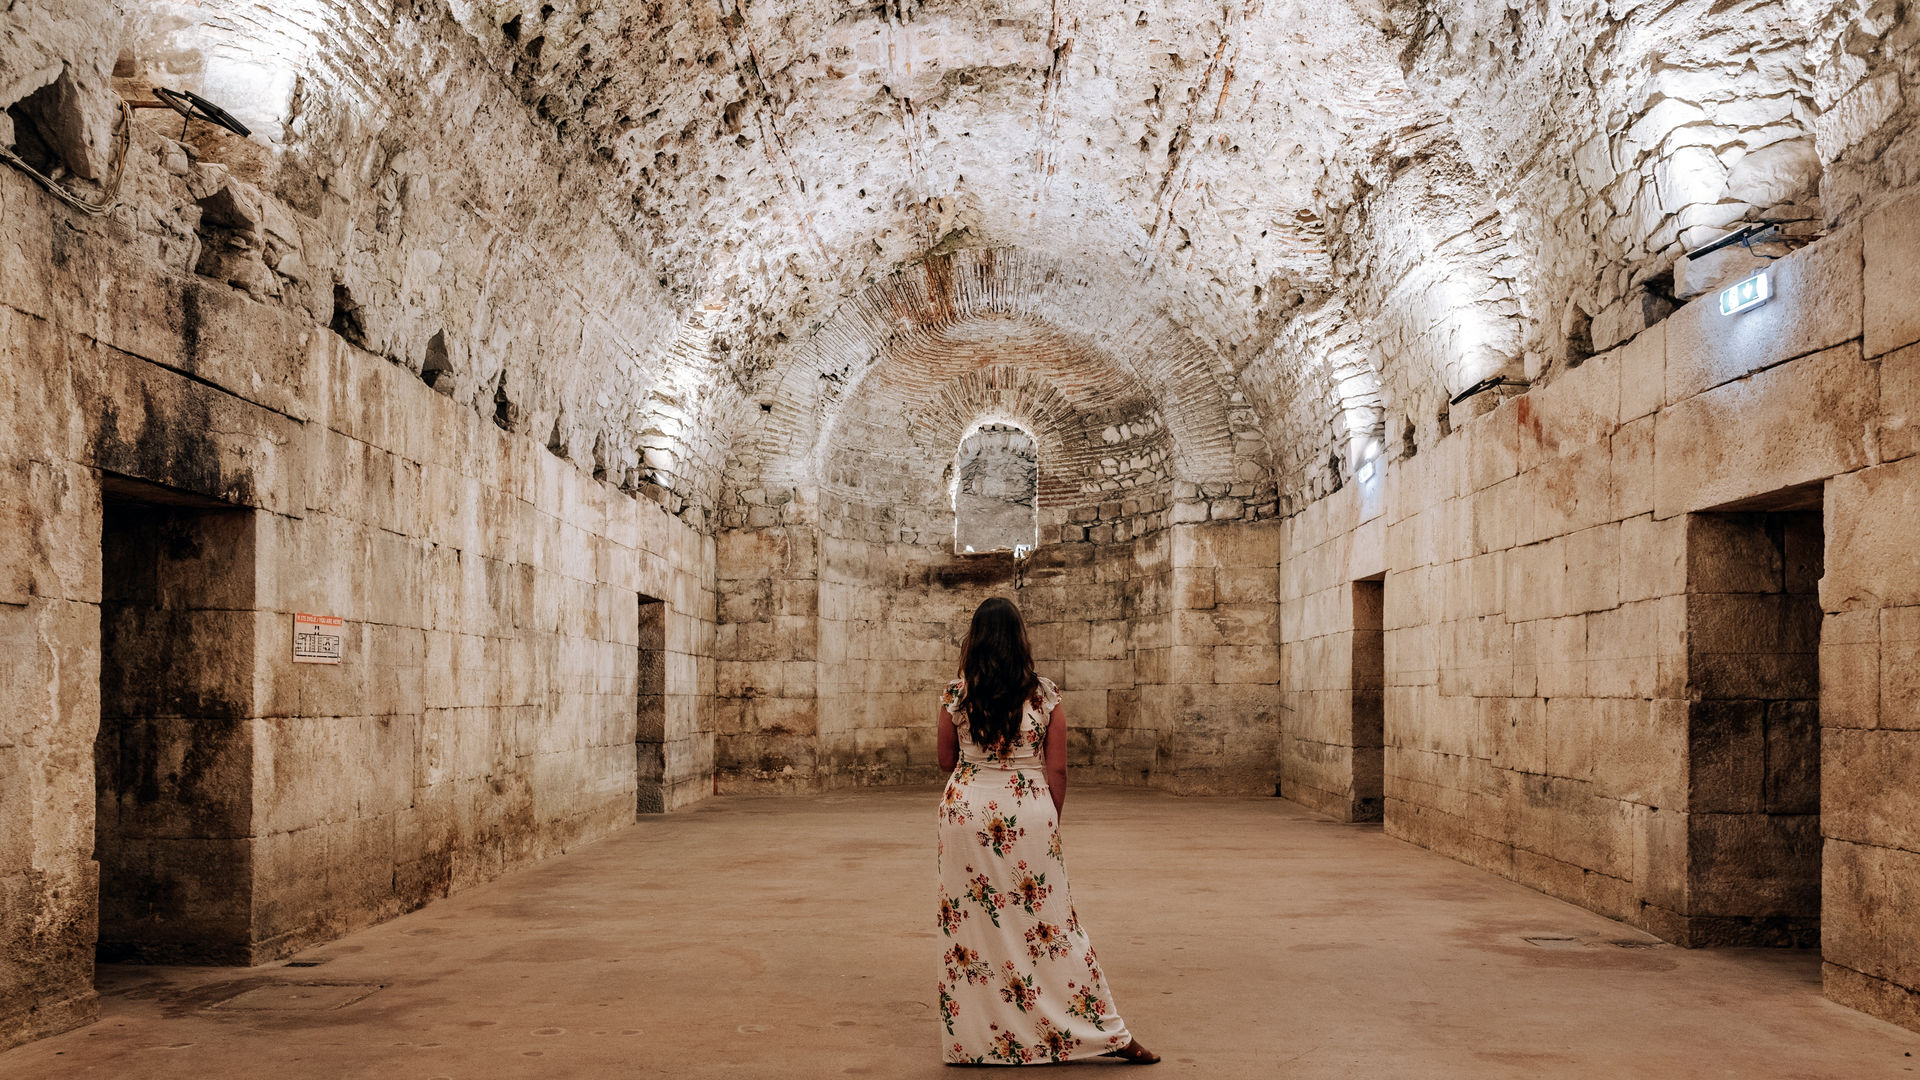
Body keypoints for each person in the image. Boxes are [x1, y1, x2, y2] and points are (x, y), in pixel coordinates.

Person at [935, 596, 1159, 1066]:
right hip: (1028, 814)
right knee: (1052, 925)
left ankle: (978, 1042)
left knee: (974, 929)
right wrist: (1045, 822)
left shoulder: (956, 695)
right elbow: (1057, 771)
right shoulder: (1045, 696)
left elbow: (944, 762)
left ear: (973, 641)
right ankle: (1104, 1032)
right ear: (1020, 640)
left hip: (966, 813)